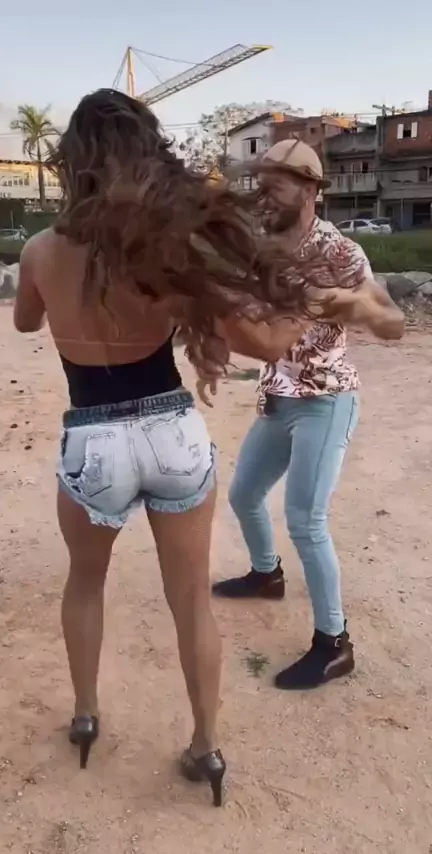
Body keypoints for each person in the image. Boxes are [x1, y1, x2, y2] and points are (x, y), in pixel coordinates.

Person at [13, 91, 327, 806]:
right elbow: (234, 325)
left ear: (71, 162)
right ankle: (205, 746)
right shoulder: (162, 249)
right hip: (171, 428)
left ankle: (86, 715)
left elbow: (28, 323)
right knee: (191, 601)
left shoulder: (39, 250)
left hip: (93, 433)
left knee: (85, 582)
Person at [213, 140, 405, 691]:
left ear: (310, 189)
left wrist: (352, 304)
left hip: (326, 399)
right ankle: (266, 574)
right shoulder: (262, 248)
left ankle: (334, 643)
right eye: (262, 181)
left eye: (277, 182)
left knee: (305, 519)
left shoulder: (340, 252)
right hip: (278, 396)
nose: (265, 192)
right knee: (244, 495)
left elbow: (392, 323)